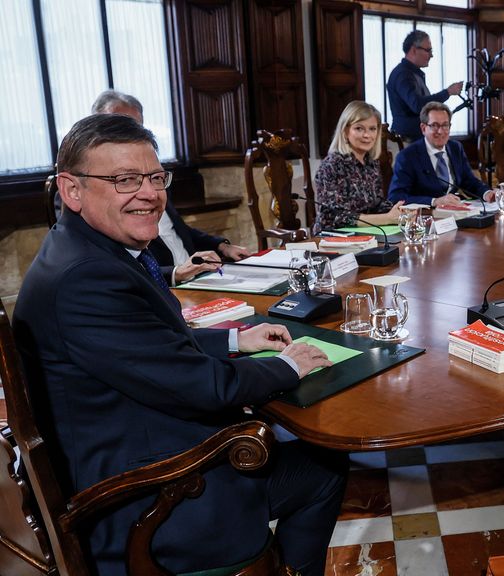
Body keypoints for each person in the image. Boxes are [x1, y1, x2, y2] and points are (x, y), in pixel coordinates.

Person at [13, 114, 346, 575]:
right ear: (72, 190)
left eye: (154, 177)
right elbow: (207, 388)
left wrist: (236, 337)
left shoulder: (87, 249)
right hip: (147, 500)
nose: (148, 193)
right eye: (124, 179)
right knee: (324, 468)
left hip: (129, 447)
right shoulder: (85, 279)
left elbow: (149, 343)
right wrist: (288, 366)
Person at [90, 90, 252, 284]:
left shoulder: (154, 176)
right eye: (119, 129)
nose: (149, 191)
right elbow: (109, 265)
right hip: (164, 287)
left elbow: (177, 229)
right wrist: (175, 273)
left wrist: (221, 246)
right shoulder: (87, 190)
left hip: (201, 277)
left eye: (135, 128)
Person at [315, 101, 404, 230]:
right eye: (359, 128)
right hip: (334, 239)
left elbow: (376, 205)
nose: (367, 135)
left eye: (372, 129)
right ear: (345, 131)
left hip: (367, 233)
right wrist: (387, 218)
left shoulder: (371, 163)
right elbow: (335, 217)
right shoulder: (332, 165)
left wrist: (399, 211)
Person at [388, 102, 491, 207]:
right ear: (423, 128)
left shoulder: (455, 148)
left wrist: (487, 194)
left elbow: (469, 181)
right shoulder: (407, 156)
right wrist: (434, 201)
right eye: (434, 125)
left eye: (445, 125)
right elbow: (395, 197)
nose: (441, 131)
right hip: (425, 216)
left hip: (455, 212)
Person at [386, 30, 463, 142]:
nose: (431, 55)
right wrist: (448, 92)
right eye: (428, 50)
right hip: (407, 142)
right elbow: (417, 105)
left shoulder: (411, 73)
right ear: (414, 50)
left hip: (414, 140)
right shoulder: (403, 74)